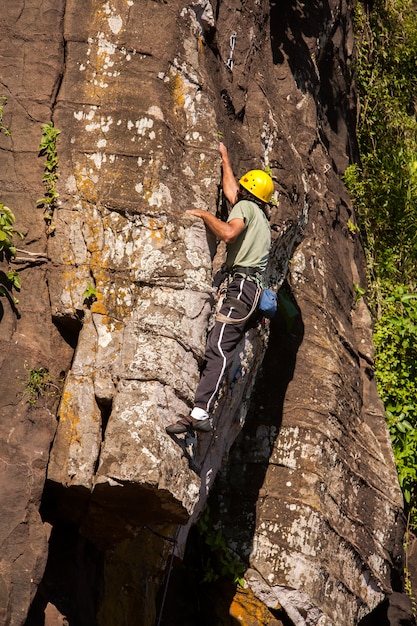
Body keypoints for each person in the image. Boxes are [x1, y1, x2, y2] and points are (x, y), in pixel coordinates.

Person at [166, 142, 274, 435]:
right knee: (220, 343)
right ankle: (199, 410)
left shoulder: (244, 209)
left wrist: (204, 214)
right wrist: (225, 158)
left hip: (241, 289)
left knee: (218, 346)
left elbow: (228, 233)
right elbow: (232, 194)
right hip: (250, 291)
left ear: (246, 191)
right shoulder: (259, 215)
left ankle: (201, 411)